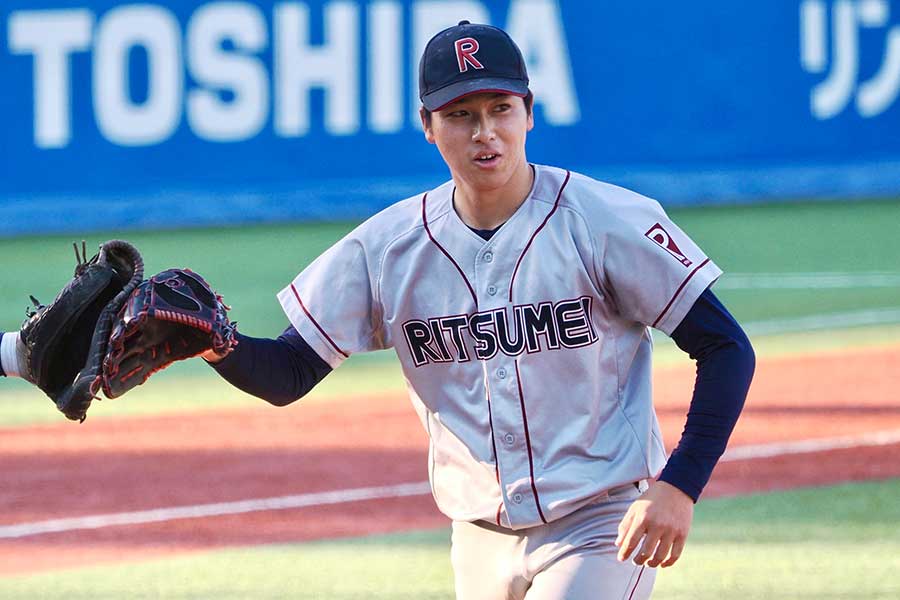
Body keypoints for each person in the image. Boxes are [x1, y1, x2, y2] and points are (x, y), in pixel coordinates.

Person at [1, 21, 755, 600]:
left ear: (530, 112)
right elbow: (291, 371)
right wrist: (217, 346)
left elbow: (726, 348)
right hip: (478, 536)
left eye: (500, 108)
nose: (484, 131)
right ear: (428, 126)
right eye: (460, 115)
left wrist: (678, 484)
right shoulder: (389, 247)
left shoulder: (606, 220)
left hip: (601, 521)